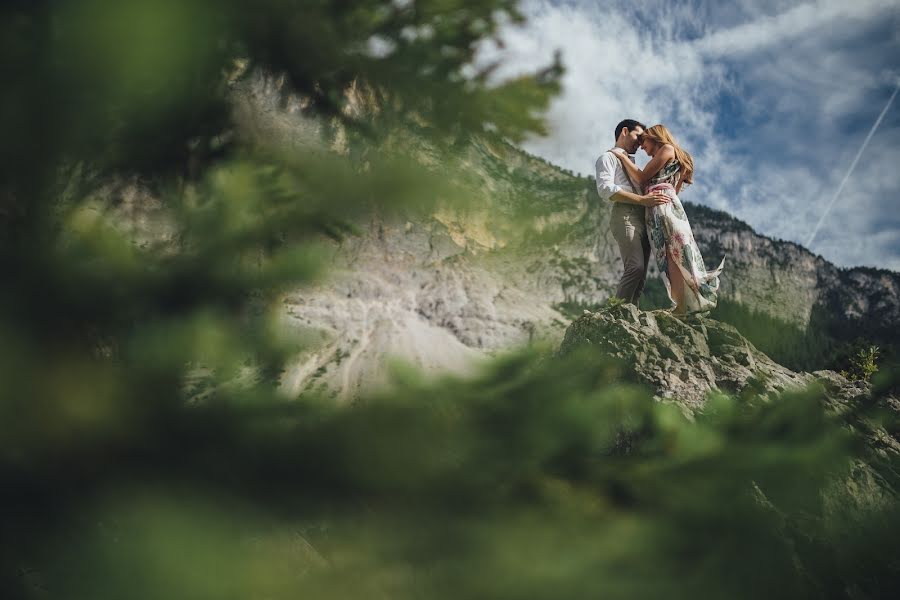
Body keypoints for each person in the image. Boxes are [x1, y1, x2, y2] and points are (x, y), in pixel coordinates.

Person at [612, 124, 725, 315]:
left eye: (643, 141)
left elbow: (640, 178)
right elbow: (675, 190)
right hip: (668, 205)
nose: (641, 147)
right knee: (674, 256)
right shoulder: (681, 159)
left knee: (672, 256)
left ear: (655, 136)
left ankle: (681, 306)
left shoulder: (667, 149)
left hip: (661, 207)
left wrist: (622, 157)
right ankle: (682, 305)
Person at [595, 119, 671, 308]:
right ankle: (614, 314)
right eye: (638, 136)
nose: (640, 142)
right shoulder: (607, 158)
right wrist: (642, 201)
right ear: (625, 131)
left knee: (641, 277)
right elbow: (605, 189)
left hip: (644, 220)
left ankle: (630, 319)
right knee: (635, 268)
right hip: (625, 215)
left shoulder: (633, 165)